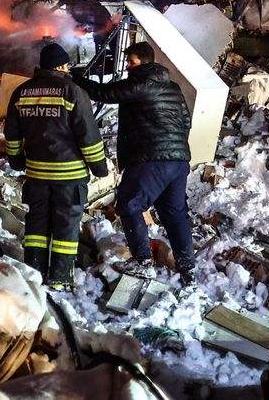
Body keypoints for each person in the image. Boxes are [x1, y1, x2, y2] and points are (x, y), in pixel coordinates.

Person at [74, 41, 196, 285]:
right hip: (179, 160)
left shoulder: (141, 82)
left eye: (131, 61)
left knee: (129, 204)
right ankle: (187, 267)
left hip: (152, 157)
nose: (128, 66)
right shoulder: (172, 87)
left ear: (144, 61)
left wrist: (77, 78)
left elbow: (104, 94)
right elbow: (186, 122)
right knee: (174, 213)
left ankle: (142, 262)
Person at [4, 43, 108, 289]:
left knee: (37, 226)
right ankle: (60, 278)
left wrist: (16, 160)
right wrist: (99, 167)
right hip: (69, 176)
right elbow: (88, 136)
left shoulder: (21, 92)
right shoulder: (72, 91)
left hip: (37, 174)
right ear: (61, 66)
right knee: (66, 226)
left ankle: (34, 273)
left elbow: (12, 134)